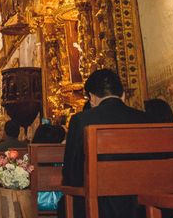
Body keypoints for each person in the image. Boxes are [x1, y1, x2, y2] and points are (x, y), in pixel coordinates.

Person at [59, 69, 149, 218]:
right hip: (140, 206)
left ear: (92, 98)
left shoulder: (81, 120)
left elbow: (71, 175)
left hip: (97, 208)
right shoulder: (146, 119)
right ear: (123, 95)